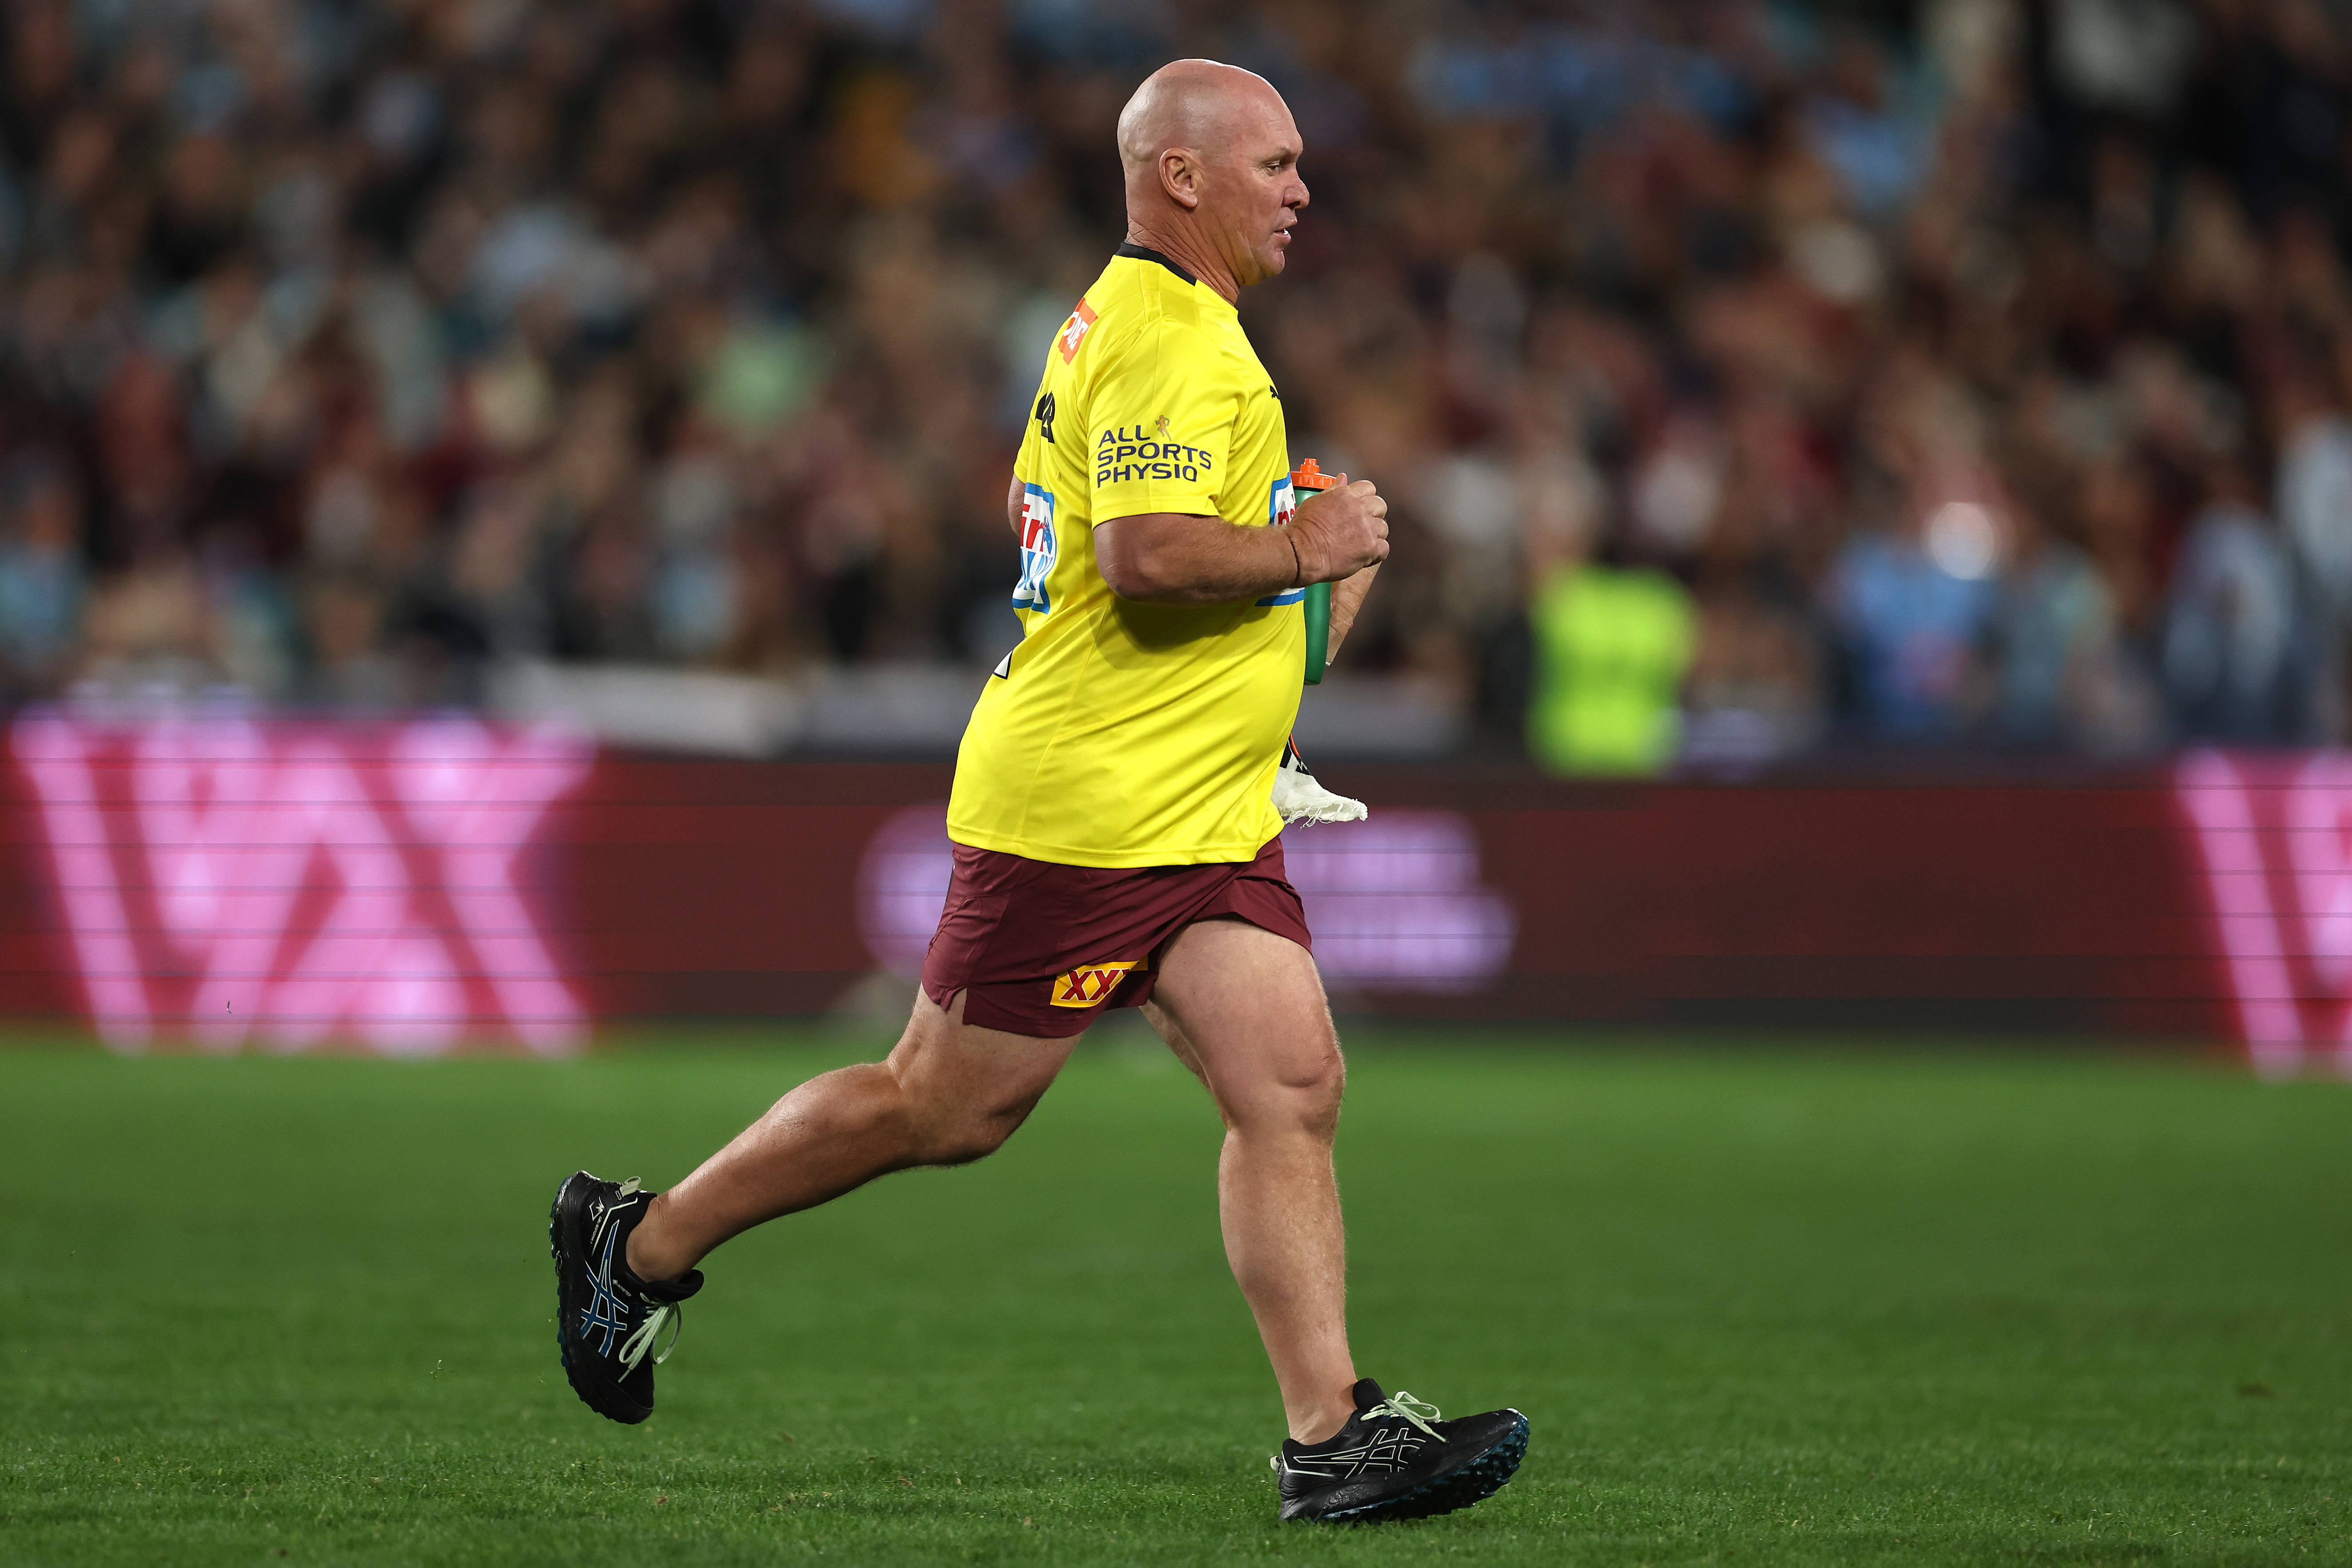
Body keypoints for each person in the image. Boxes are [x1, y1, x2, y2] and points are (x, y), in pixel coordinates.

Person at [547, 59, 1528, 1524]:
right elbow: (1144, 560)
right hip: (1089, 806)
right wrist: (1312, 547)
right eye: (1273, 163)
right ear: (1180, 176)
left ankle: (1330, 1434)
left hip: (1195, 804)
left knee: (1291, 1081)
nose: (1300, 189)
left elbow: (1222, 614)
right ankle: (634, 1246)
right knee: (943, 1109)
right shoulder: (1163, 337)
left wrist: (1328, 578)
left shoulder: (1161, 328)